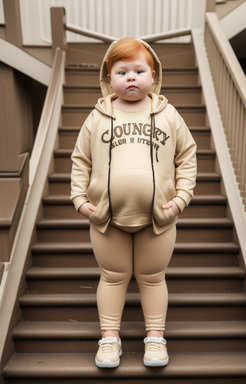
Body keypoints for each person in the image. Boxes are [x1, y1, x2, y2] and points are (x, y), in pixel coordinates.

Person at [70, 38, 197, 368]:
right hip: (106, 218)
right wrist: (80, 199)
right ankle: (109, 340)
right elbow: (80, 159)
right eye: (121, 71)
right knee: (113, 276)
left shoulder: (168, 114)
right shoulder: (98, 116)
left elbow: (187, 156)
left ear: (152, 75)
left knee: (152, 277)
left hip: (160, 217)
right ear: (108, 78)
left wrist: (181, 198)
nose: (131, 77)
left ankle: (155, 339)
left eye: (139, 70)